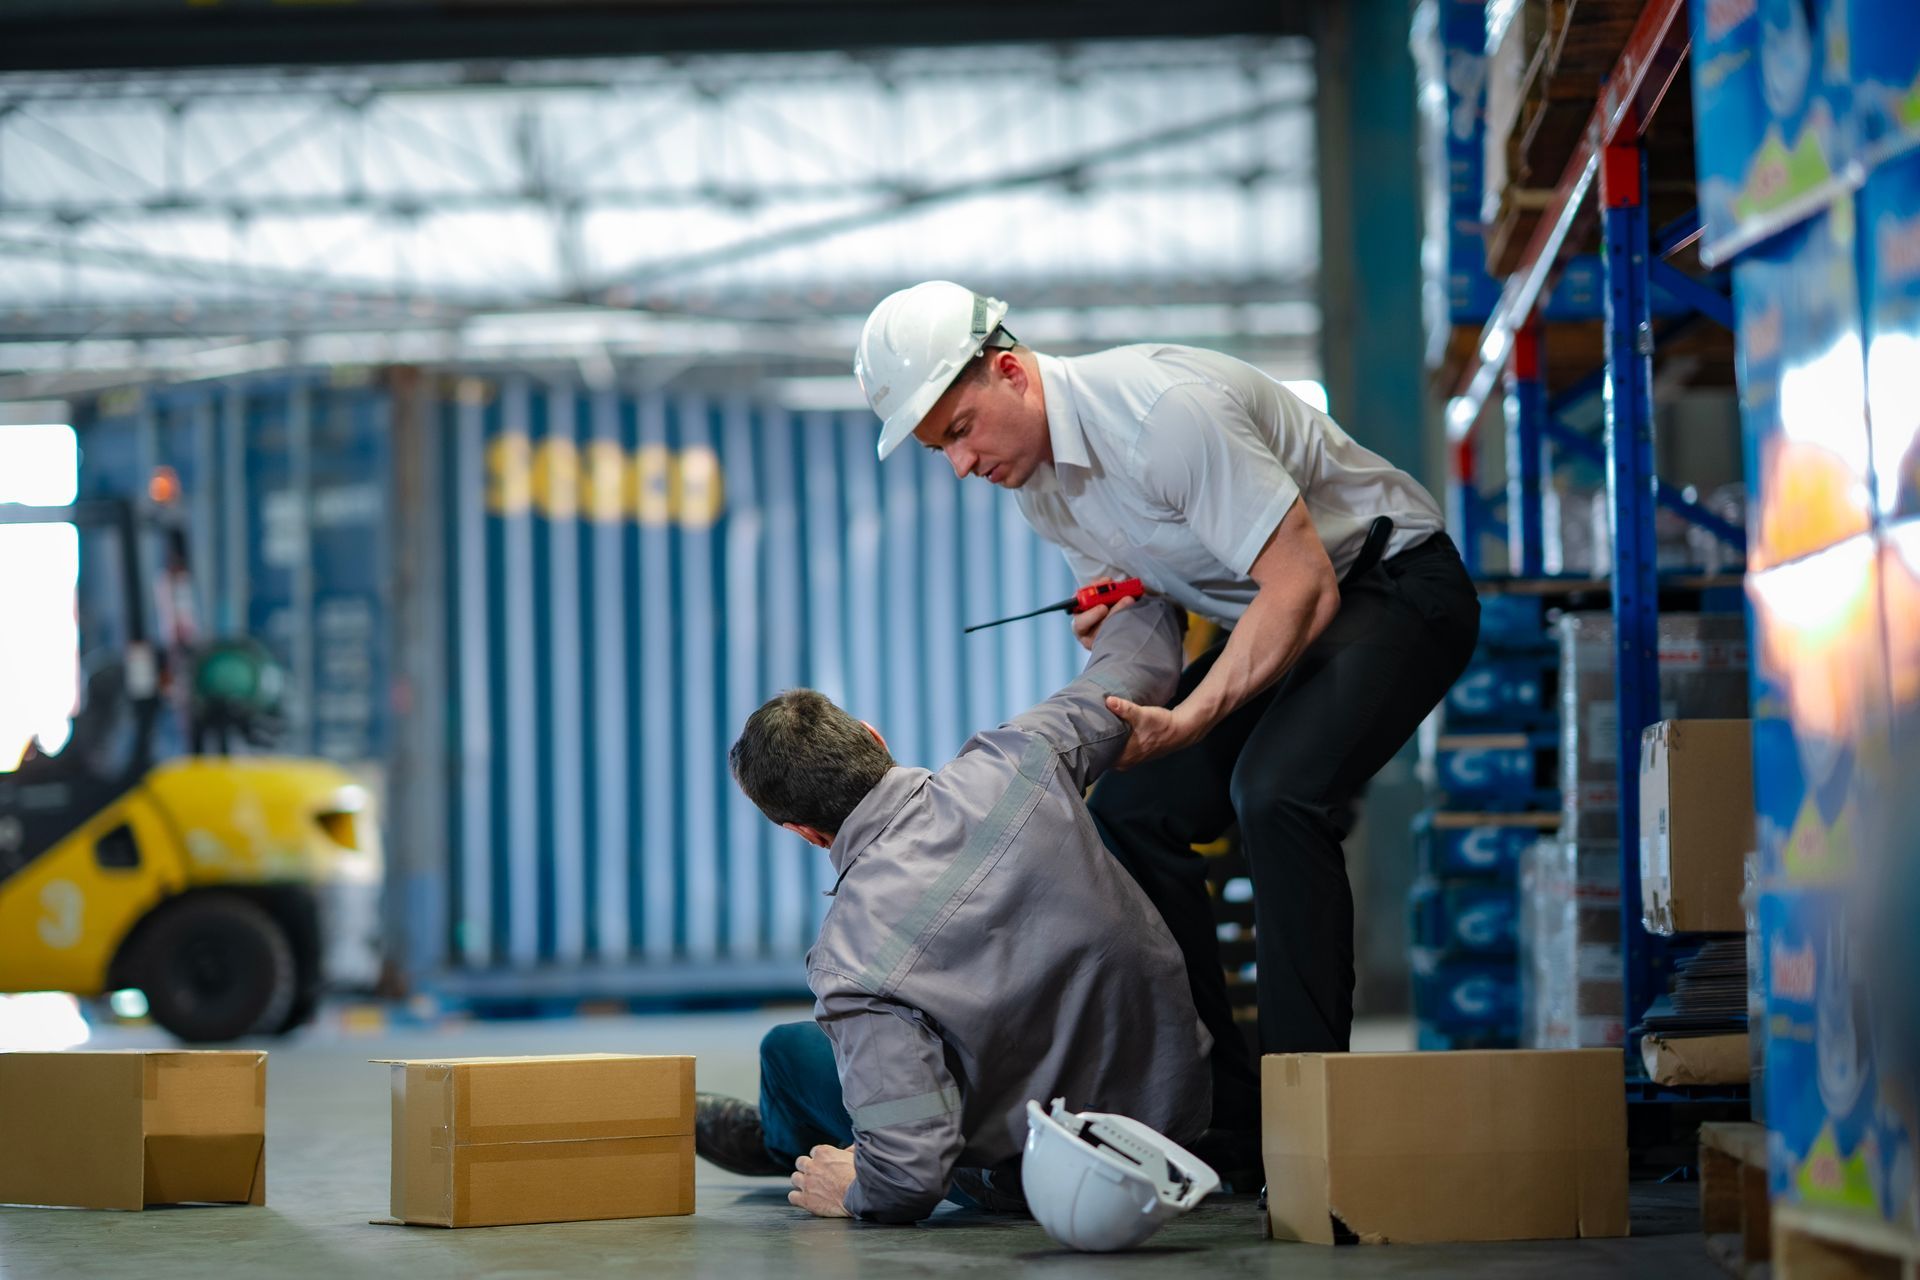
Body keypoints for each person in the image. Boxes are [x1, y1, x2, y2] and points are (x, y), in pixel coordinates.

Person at [855, 281, 1481, 1144]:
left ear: (1010, 372)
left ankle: (1310, 1124)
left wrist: (1191, 720)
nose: (962, 466)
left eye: (959, 431)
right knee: (1131, 810)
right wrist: (1092, 675)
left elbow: (1303, 580)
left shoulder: (1161, 413)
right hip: (1287, 613)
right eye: (939, 451)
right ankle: (1224, 1111)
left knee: (1275, 791)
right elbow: (1143, 624)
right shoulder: (1041, 487)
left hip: (1397, 585)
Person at [699, 596, 1212, 1222]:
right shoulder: (1016, 759)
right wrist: (1145, 597)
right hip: (1182, 1122)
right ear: (873, 739)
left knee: (788, 1052)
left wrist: (852, 1191)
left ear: (805, 832)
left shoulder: (852, 959)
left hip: (1049, 1181)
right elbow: (1128, 674)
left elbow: (909, 1176)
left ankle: (786, 1148)